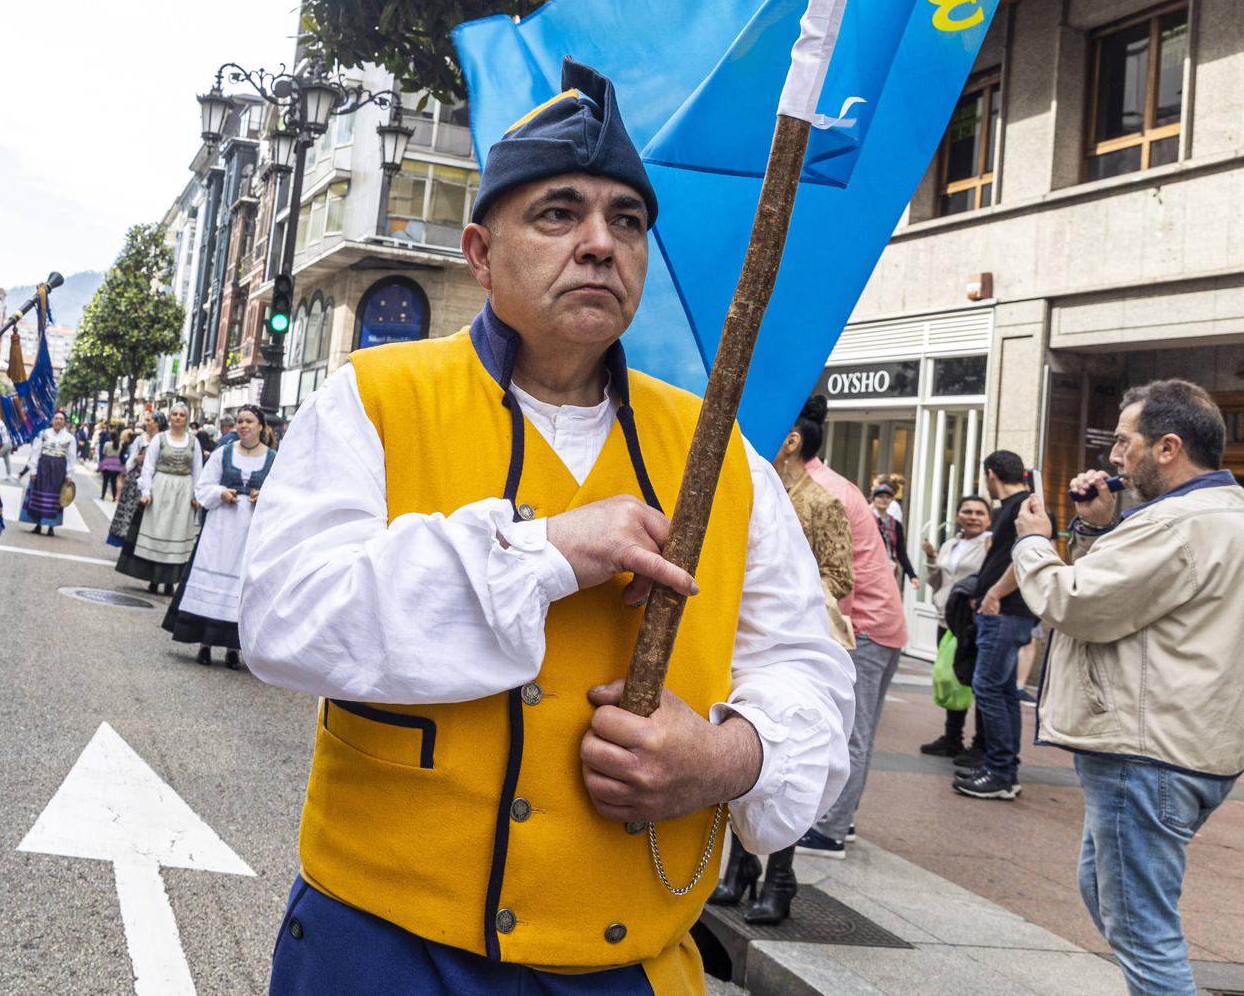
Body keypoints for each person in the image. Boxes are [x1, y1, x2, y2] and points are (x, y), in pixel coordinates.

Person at [238, 63, 855, 992]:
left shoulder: (719, 457)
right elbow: (285, 617)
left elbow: (808, 666)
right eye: (560, 214)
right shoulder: (376, 397)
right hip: (378, 951)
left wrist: (728, 757)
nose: (601, 243)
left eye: (628, 221)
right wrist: (548, 552)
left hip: (628, 966)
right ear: (481, 253)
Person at [1011, 380, 1242, 996]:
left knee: (1144, 934)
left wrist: (1034, 541)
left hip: (1148, 753)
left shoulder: (1176, 525)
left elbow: (1074, 601)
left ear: (1168, 447)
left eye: (1123, 442)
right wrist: (1095, 530)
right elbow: (1134, 596)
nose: (1113, 456)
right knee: (1108, 894)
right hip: (1193, 747)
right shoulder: (1223, 516)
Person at [711, 395, 857, 924]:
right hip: (744, 635)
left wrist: (783, 588)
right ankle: (740, 868)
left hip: (807, 639)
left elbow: (842, 577)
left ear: (793, 441)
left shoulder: (822, 503)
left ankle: (780, 875)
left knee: (787, 747)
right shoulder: (743, 484)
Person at [795, 422, 907, 858]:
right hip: (874, 624)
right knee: (854, 731)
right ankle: (844, 817)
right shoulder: (828, 484)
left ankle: (831, 831)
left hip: (864, 627)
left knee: (850, 734)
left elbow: (841, 575)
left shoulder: (825, 490)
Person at [163, 403, 274, 669]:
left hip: (250, 534)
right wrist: (221, 493)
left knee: (241, 588)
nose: (244, 426)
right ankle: (205, 644)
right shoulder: (223, 453)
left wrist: (265, 497)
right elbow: (203, 487)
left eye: (249, 421)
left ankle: (233, 648)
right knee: (215, 583)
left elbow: (284, 494)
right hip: (221, 529)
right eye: (240, 421)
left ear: (260, 426)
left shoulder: (273, 459)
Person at [952, 449, 1035, 801]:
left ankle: (1000, 771)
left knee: (987, 687)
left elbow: (1025, 555)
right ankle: (1002, 767)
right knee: (1001, 691)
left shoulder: (1022, 508)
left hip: (1004, 612)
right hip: (1002, 610)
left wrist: (995, 594)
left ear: (990, 474)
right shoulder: (1014, 507)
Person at [918, 495, 992, 759]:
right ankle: (952, 738)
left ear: (989, 518)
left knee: (977, 682)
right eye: (967, 511)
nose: (973, 517)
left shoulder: (989, 544)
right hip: (946, 620)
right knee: (951, 680)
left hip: (971, 624)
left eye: (979, 513)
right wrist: (931, 558)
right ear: (958, 515)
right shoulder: (951, 544)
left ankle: (981, 744)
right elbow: (938, 583)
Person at [117, 403, 199, 594]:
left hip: (183, 490)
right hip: (160, 487)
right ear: (170, 418)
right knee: (158, 531)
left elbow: (197, 470)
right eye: (174, 414)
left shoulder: (194, 442)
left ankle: (170, 581)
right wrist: (146, 492)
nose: (178, 418)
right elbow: (148, 467)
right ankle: (153, 578)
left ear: (186, 419)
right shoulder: (160, 439)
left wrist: (196, 495)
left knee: (176, 533)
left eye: (182, 415)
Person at [18, 409, 77, 537]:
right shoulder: (43, 434)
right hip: (43, 468)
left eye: (61, 419)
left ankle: (51, 526)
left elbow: (71, 458)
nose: (58, 421)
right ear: (52, 420)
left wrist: (69, 475)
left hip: (59, 471)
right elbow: (35, 452)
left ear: (64, 422)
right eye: (56, 418)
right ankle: (38, 524)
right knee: (40, 496)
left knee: (55, 498)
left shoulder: (69, 438)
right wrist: (33, 470)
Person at [106, 416, 158, 551]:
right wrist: (133, 463)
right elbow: (132, 457)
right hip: (134, 480)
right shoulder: (140, 439)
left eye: (149, 420)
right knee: (128, 513)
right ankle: (125, 543)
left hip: (153, 480)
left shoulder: (162, 440)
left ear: (157, 423)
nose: (146, 423)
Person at [869, 481, 917, 588]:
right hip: (869, 569)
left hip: (888, 569)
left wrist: (912, 575)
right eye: (880, 496)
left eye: (887, 497)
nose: (884, 499)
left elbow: (901, 551)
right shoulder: (867, 521)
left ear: (891, 500)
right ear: (873, 499)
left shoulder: (896, 525)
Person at [97, 425, 125, 500]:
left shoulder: (107, 444)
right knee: (113, 482)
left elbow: (104, 453)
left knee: (105, 481)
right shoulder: (120, 445)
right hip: (116, 465)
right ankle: (113, 497)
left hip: (107, 464)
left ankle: (103, 496)